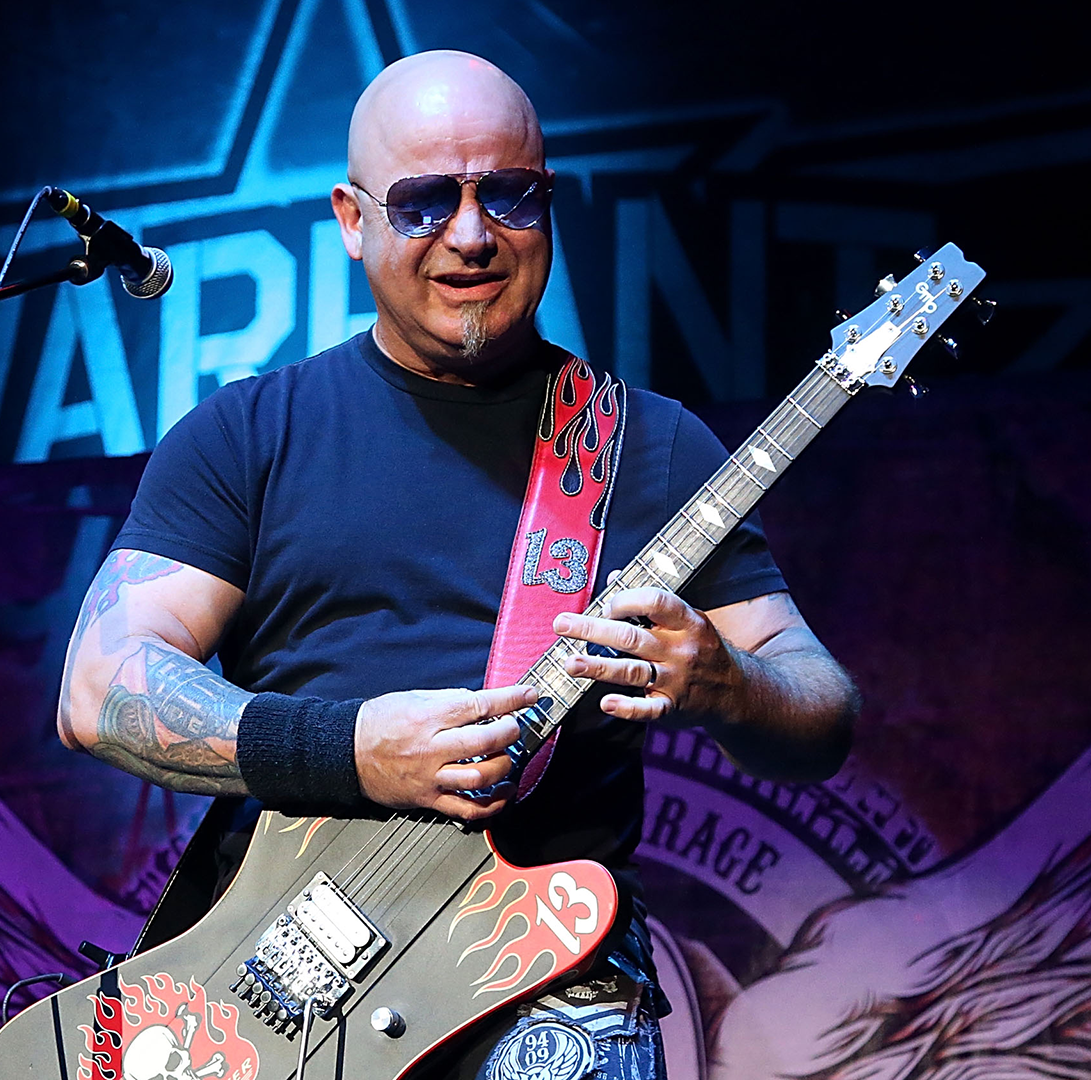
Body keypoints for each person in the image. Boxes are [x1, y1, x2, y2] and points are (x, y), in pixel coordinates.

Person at [58, 50, 859, 1080]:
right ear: (353, 221)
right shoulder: (249, 434)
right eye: (428, 201)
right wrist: (350, 748)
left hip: (547, 988)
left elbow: (823, 709)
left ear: (550, 205)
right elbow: (100, 684)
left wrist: (727, 682)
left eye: (509, 197)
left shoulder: (648, 448)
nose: (473, 236)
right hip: (279, 990)